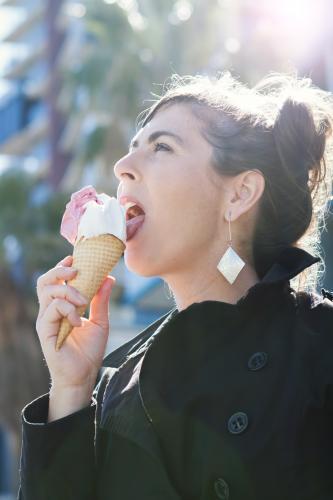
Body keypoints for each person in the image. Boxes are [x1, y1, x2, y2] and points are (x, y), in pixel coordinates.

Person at [18, 71, 333, 500]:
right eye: (132, 149)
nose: (121, 167)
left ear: (240, 194)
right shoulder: (114, 387)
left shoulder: (320, 347)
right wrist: (71, 389)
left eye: (161, 147)